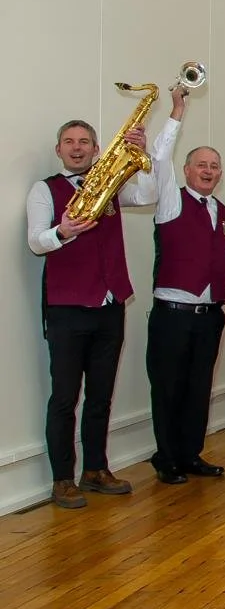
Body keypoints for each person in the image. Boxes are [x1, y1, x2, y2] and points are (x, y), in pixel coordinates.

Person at [27, 116, 156, 508]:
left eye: (84, 141)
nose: (77, 147)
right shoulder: (44, 190)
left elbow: (149, 193)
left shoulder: (113, 185)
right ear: (59, 149)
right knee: (64, 398)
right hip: (66, 309)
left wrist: (142, 152)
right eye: (70, 141)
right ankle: (63, 478)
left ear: (97, 148)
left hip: (109, 305)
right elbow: (35, 242)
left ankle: (96, 469)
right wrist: (62, 231)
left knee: (101, 395)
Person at [146, 85, 225, 484]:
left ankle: (190, 453)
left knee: (199, 387)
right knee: (168, 388)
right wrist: (177, 112)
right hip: (173, 315)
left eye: (214, 166)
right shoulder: (172, 201)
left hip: (210, 314)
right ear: (187, 170)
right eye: (201, 164)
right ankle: (166, 458)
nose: (208, 170)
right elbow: (159, 157)